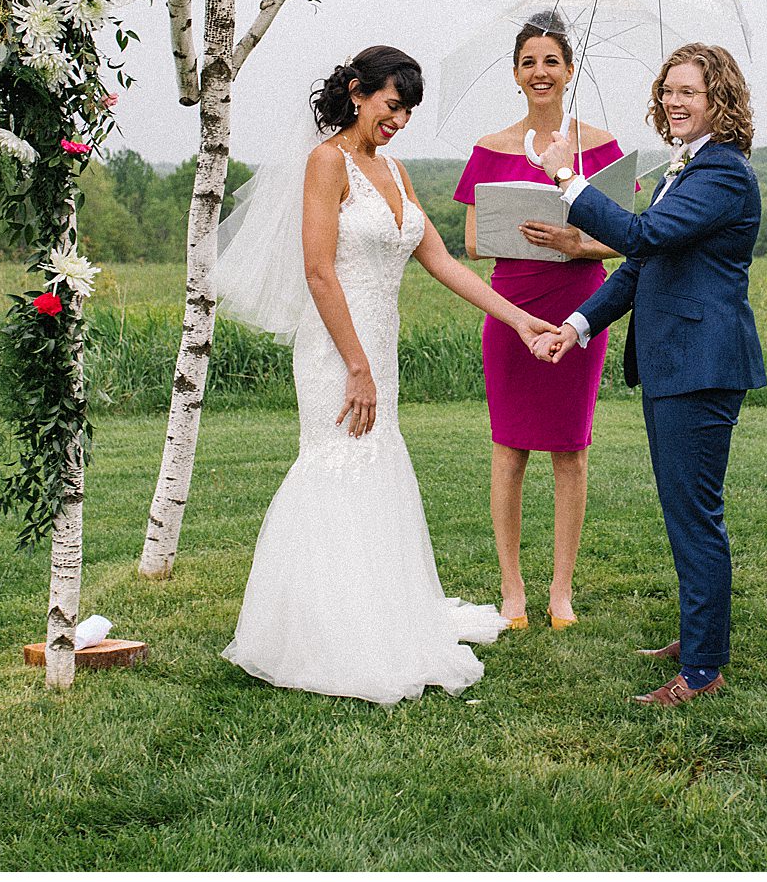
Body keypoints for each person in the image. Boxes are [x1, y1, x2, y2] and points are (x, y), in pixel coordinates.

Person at [217, 46, 558, 705]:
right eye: (391, 106)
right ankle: (321, 632)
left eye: (407, 112)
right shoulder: (327, 163)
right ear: (356, 92)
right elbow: (318, 271)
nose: (398, 121)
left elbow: (445, 262)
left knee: (375, 467)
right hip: (336, 352)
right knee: (337, 465)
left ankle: (376, 617)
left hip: (379, 348)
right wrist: (355, 366)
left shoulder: (396, 173)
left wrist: (519, 320)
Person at [534, 43, 765, 706]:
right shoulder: (684, 171)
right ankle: (701, 641)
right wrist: (575, 327)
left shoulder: (723, 173)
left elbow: (643, 238)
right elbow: (641, 271)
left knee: (695, 514)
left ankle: (702, 671)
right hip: (674, 364)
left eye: (688, 90)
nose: (673, 100)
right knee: (683, 510)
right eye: (668, 90)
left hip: (702, 364)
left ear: (720, 99)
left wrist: (568, 181)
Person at [452, 12, 625, 630]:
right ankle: (513, 591)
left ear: (570, 70)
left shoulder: (601, 146)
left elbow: (626, 239)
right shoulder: (490, 149)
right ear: (516, 73)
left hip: (581, 307)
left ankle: (560, 591)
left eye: (551, 60)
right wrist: (524, 233)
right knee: (509, 451)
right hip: (511, 307)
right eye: (529, 61)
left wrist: (574, 241)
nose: (540, 72)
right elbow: (472, 242)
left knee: (571, 451)